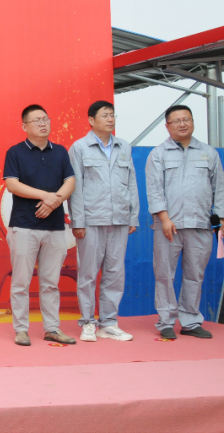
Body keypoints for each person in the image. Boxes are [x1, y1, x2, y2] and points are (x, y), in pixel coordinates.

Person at [145, 104, 223, 340]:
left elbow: (219, 188)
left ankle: (190, 321)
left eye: (186, 119)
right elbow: (154, 190)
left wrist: (221, 218)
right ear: (167, 126)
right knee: (164, 275)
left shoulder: (208, 153)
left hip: (200, 224)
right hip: (169, 226)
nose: (182, 124)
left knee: (194, 275)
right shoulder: (158, 154)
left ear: (193, 122)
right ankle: (166, 321)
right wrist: (164, 218)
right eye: (176, 120)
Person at [3, 104, 77, 346]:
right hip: (24, 226)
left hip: (54, 227)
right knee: (21, 282)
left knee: (50, 283)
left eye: (46, 119)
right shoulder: (15, 152)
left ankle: (52, 328)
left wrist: (54, 202)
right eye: (37, 120)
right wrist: (45, 196)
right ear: (24, 126)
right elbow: (12, 185)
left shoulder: (60, 151)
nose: (43, 123)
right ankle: (21, 330)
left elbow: (70, 181)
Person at [68, 101, 139, 342]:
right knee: (88, 273)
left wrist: (132, 215)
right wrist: (78, 221)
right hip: (91, 220)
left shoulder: (124, 147)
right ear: (91, 120)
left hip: (119, 219)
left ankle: (109, 323)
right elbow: (75, 187)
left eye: (112, 115)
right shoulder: (79, 147)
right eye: (105, 115)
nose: (110, 119)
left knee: (115, 273)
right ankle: (88, 322)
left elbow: (131, 183)